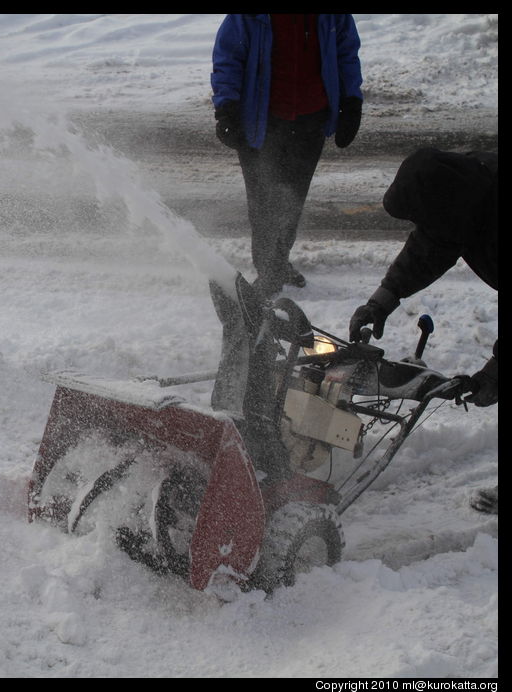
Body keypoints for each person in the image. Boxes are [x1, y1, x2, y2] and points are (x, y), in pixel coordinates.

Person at [348, 147, 498, 514]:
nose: (424, 226)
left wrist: (492, 377)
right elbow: (431, 245)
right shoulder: (465, 195)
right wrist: (385, 297)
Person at [211, 14, 363, 297]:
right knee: (263, 201)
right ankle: (269, 271)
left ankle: (278, 261)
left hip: (310, 120)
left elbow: (346, 53)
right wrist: (226, 108)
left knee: (292, 198)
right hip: (261, 121)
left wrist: (351, 101)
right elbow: (228, 57)